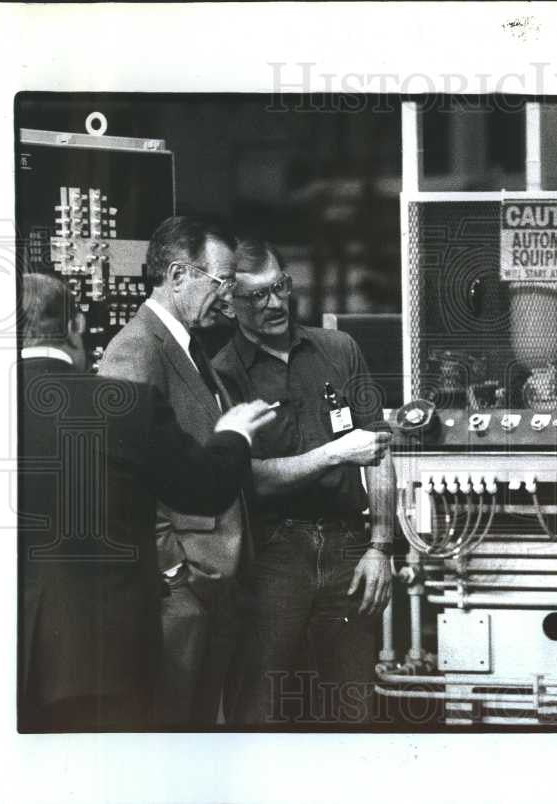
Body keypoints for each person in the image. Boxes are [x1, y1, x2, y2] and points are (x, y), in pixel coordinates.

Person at [18, 274, 276, 731]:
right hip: (101, 656)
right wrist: (233, 433)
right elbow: (203, 489)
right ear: (76, 326)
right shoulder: (125, 404)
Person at [213, 238, 395, 725]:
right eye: (254, 296)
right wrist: (333, 453)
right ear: (228, 303)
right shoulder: (223, 374)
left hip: (348, 550)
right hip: (273, 556)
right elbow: (250, 482)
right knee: (262, 710)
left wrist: (380, 545)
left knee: (352, 711)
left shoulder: (338, 349)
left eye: (279, 287)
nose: (273, 304)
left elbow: (378, 450)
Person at [98, 216, 250, 726]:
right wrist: (172, 572)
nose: (227, 296)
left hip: (212, 582)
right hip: (182, 590)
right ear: (179, 274)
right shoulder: (135, 350)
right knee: (174, 733)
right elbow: (122, 473)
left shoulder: (190, 345)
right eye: (221, 281)